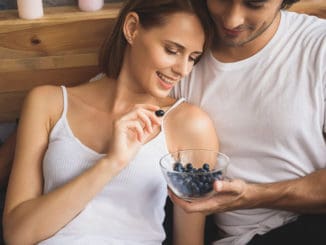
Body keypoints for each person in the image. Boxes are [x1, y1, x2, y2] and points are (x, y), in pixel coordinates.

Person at [2, 0, 218, 244]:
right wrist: (111, 163)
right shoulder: (48, 103)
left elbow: (189, 241)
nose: (183, 69)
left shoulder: (190, 125)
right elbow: (17, 235)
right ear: (132, 28)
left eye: (193, 58)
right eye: (172, 50)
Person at [171, 0, 326, 244]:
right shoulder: (179, 51)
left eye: (254, 4)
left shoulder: (319, 46)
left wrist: (254, 196)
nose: (232, 20)